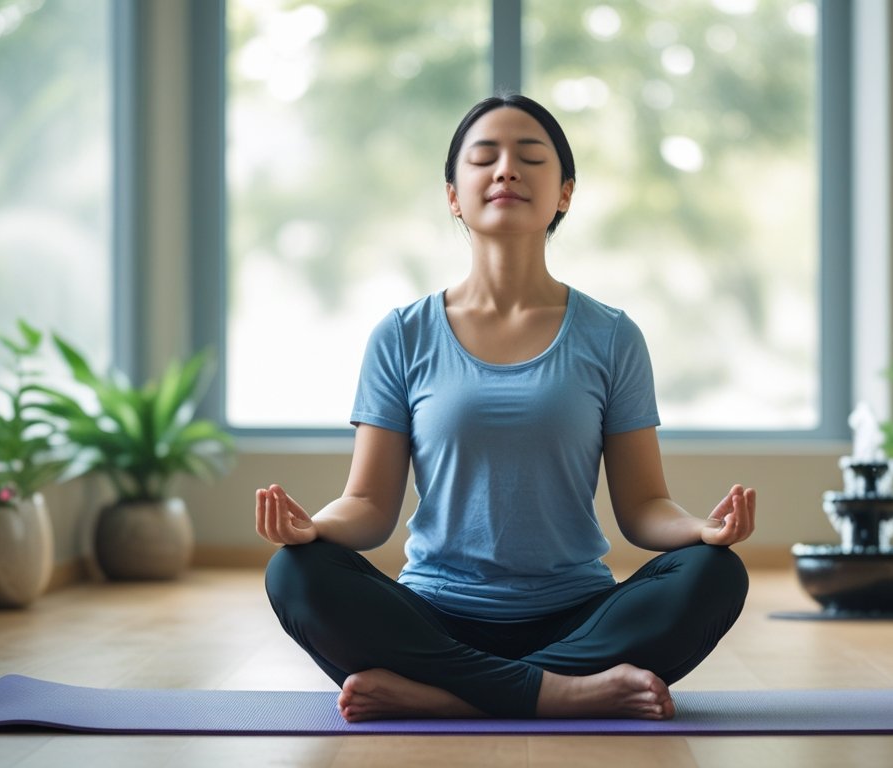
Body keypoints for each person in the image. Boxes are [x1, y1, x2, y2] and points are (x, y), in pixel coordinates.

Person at [256, 93, 755, 722]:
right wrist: (312, 530)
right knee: (295, 574)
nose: (506, 170)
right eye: (484, 157)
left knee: (715, 574)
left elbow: (643, 508)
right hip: (436, 618)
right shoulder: (402, 334)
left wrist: (702, 533)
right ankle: (562, 693)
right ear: (453, 195)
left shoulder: (611, 336)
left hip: (577, 617)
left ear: (565, 193)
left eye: (530, 157)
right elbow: (368, 507)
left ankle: (443, 696)